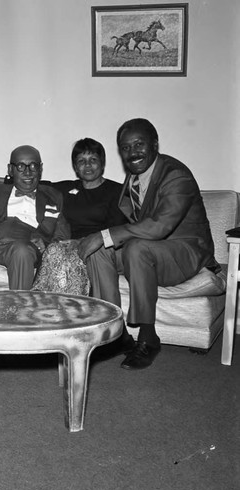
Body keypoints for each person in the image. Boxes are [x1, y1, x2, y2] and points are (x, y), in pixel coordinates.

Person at [78, 118, 219, 370]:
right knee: (101, 250)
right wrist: (102, 239)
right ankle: (115, 333)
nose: (133, 152)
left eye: (139, 144)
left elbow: (159, 226)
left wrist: (105, 234)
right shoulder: (135, 178)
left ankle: (148, 337)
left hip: (185, 251)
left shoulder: (176, 176)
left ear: (155, 144)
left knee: (132, 246)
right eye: (125, 147)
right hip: (153, 251)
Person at [0, 145, 69, 290]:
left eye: (33, 166)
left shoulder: (53, 196)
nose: (28, 172)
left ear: (40, 169)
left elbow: (63, 236)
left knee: (21, 252)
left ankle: (20, 310)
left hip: (24, 246)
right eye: (21, 166)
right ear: (10, 170)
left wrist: (46, 245)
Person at [31, 138, 126, 295]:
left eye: (93, 160)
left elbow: (115, 229)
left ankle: (74, 310)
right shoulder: (67, 188)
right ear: (75, 166)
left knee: (62, 256)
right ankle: (43, 304)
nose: (87, 165)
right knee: (54, 250)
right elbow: (35, 184)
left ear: (102, 163)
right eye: (81, 161)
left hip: (98, 248)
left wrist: (79, 242)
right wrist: (4, 181)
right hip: (66, 246)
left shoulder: (116, 191)